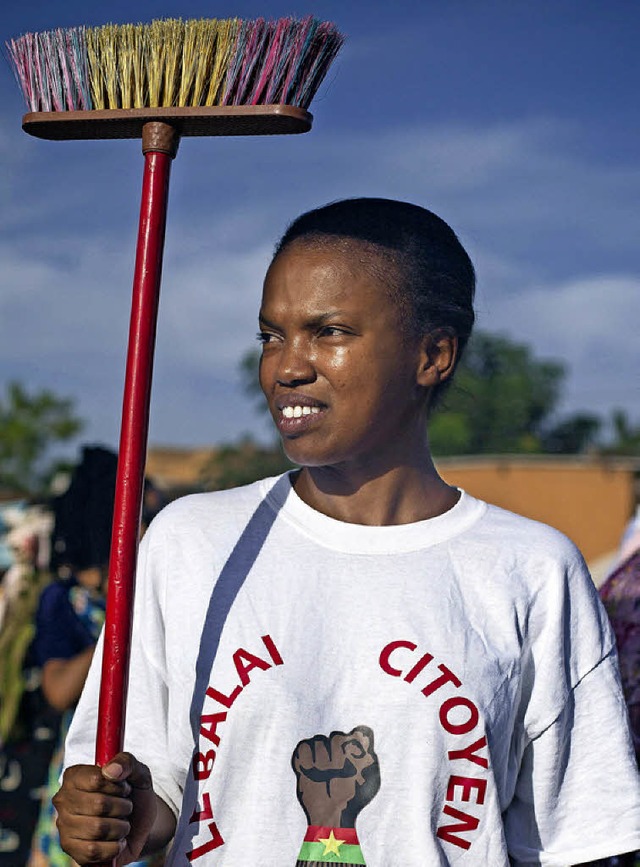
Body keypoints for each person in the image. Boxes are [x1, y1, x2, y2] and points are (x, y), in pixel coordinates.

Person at [54, 198, 640, 866]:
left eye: (326, 331)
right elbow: (153, 792)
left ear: (433, 354)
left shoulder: (531, 570)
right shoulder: (191, 543)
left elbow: (577, 839)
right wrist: (107, 812)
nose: (285, 367)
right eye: (270, 335)